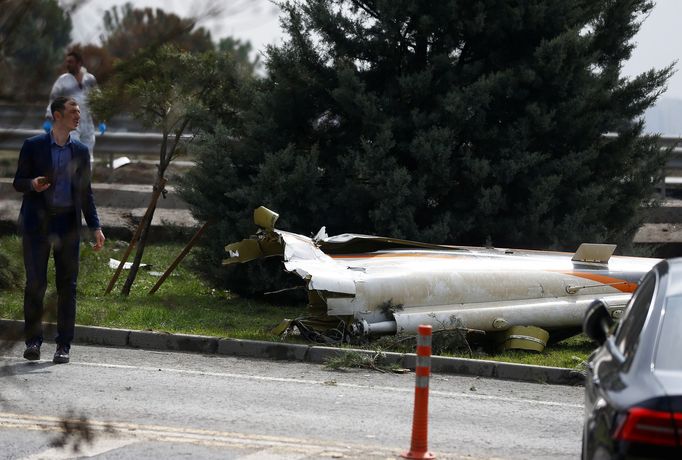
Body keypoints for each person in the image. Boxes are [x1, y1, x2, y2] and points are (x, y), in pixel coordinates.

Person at [13, 96, 105, 364]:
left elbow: (86, 193)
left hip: (67, 225)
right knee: (35, 284)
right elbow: (18, 181)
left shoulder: (80, 151)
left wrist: (96, 226)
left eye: (79, 112)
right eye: (73, 112)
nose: (78, 116)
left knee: (67, 286)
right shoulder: (33, 146)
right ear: (57, 116)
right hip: (37, 224)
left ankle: (63, 345)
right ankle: (33, 341)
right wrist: (33, 184)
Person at [45, 51, 104, 167]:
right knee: (73, 153)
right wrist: (48, 118)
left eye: (71, 62)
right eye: (67, 62)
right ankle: (72, 182)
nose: (68, 64)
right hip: (70, 123)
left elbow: (98, 100)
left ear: (79, 63)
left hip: (87, 123)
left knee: (87, 155)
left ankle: (85, 182)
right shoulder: (63, 80)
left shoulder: (89, 79)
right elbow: (53, 99)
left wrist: (102, 119)